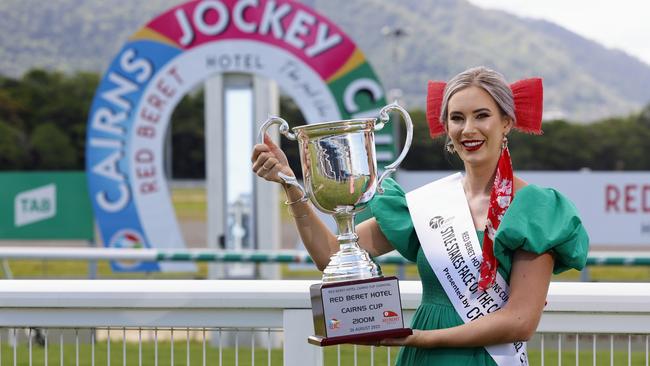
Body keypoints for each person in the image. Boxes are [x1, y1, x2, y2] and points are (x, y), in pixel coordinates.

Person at [251, 66, 589, 365]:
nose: (468, 129)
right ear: (446, 128)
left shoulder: (536, 209)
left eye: (481, 115)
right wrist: (291, 185)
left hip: (478, 358)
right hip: (422, 357)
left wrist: (421, 337)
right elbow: (331, 258)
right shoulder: (430, 204)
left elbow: (520, 321)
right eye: (457, 118)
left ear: (507, 123)